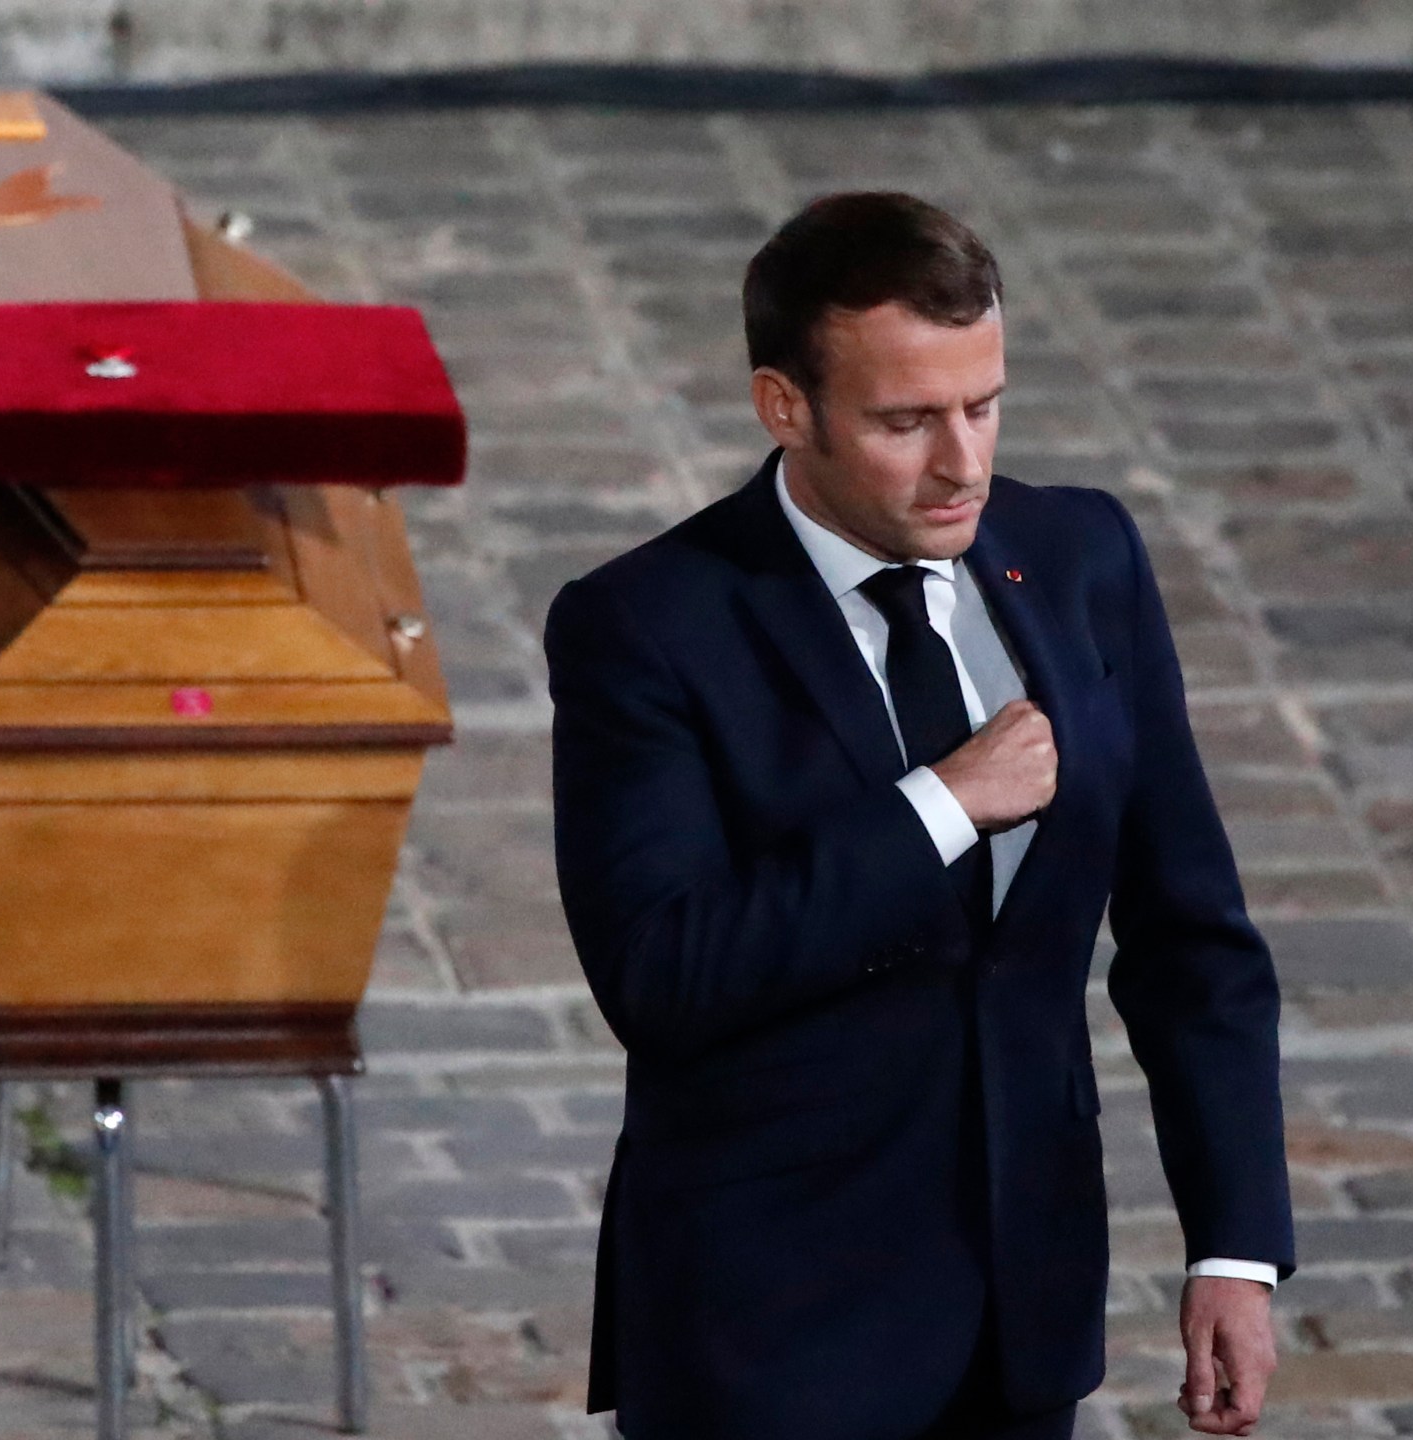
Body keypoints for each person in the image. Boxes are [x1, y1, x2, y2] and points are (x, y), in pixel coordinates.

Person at [545, 192, 1295, 1440]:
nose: (963, 464)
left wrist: (1235, 1248)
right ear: (786, 408)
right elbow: (663, 970)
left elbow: (1190, 939)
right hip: (767, 1334)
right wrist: (940, 805)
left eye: (982, 406)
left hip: (1021, 1319)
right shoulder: (650, 625)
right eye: (906, 422)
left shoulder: (1081, 557)